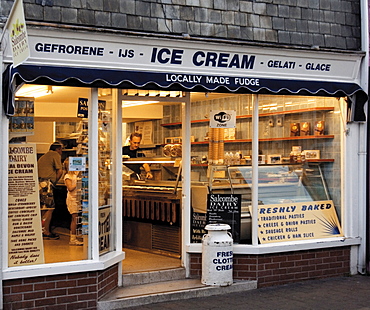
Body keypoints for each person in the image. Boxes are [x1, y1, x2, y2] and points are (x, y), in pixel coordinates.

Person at [37, 142, 63, 239]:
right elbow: (60, 170)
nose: (61, 152)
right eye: (61, 150)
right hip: (46, 184)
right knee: (49, 208)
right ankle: (46, 231)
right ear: (58, 149)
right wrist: (54, 182)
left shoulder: (44, 156)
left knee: (43, 209)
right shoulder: (55, 155)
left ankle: (41, 229)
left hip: (39, 183)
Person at [64, 158, 83, 246]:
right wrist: (78, 183)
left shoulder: (77, 175)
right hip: (72, 199)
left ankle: (77, 236)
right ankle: (73, 238)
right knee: (74, 218)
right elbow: (70, 188)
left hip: (78, 198)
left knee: (77, 218)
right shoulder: (68, 176)